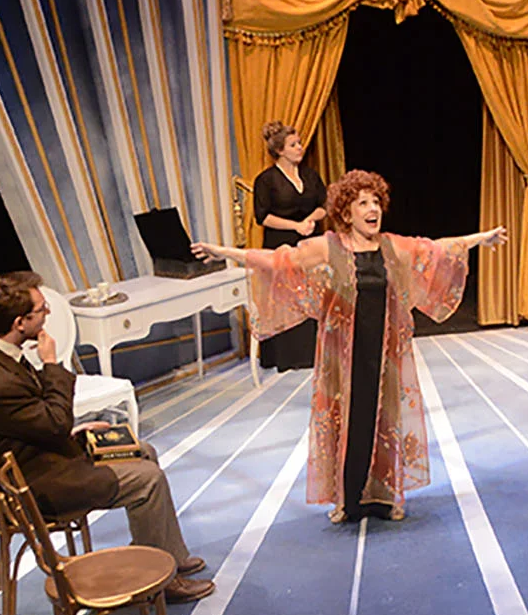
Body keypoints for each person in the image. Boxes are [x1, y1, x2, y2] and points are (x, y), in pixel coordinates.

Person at [194, 170, 507, 523]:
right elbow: (276, 260)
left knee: (385, 420)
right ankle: (347, 500)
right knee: (348, 423)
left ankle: (385, 497)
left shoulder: (391, 246)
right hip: (344, 357)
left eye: (376, 202)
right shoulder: (329, 247)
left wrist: (481, 237)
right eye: (363, 203)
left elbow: (436, 248)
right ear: (346, 212)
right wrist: (221, 251)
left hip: (384, 354)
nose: (373, 209)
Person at [0, 273, 214, 603]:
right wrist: (51, 364)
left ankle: (166, 554)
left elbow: (32, 423)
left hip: (35, 457)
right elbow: (56, 422)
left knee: (142, 450)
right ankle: (164, 584)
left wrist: (72, 431)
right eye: (42, 309)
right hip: (33, 485)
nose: (48, 313)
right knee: (148, 479)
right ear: (20, 323)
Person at [252, 121, 328, 370]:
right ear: (279, 151)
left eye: (299, 143)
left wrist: (309, 221)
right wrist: (295, 226)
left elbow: (324, 204)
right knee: (286, 297)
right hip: (281, 244)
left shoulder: (310, 175)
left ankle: (315, 352)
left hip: (309, 243)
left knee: (313, 294)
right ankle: (289, 356)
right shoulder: (266, 180)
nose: (300, 148)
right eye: (294, 144)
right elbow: (263, 216)